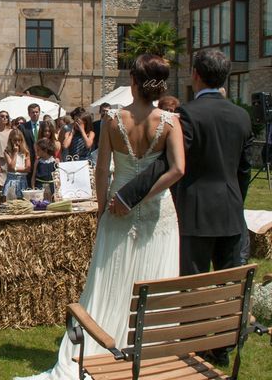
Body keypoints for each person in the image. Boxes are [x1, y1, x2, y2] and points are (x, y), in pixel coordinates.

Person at [15, 54, 185, 380]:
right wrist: (143, 196)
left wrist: (103, 208)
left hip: (116, 210)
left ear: (134, 83)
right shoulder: (170, 122)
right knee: (155, 276)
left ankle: (107, 343)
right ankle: (152, 351)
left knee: (110, 279)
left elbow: (102, 171)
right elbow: (177, 169)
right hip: (157, 212)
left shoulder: (112, 121)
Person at [111, 50, 253, 368]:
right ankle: (223, 348)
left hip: (196, 214)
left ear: (195, 75)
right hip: (231, 212)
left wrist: (127, 195)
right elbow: (244, 171)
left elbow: (167, 164)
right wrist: (235, 201)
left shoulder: (188, 114)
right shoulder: (241, 116)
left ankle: (198, 349)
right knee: (230, 287)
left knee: (193, 286)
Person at [1, 128, 31, 199]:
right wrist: (15, 153)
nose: (17, 143)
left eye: (19, 140)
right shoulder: (7, 152)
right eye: (15, 140)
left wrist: (16, 169)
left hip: (22, 180)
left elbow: (28, 168)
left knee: (22, 202)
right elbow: (11, 167)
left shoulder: (26, 152)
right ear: (11, 140)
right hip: (12, 180)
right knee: (11, 201)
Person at [21, 104, 41, 182]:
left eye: (36, 112)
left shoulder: (44, 125)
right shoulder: (23, 127)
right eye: (32, 112)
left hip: (43, 158)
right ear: (29, 114)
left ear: (39, 112)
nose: (35, 114)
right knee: (29, 181)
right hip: (29, 159)